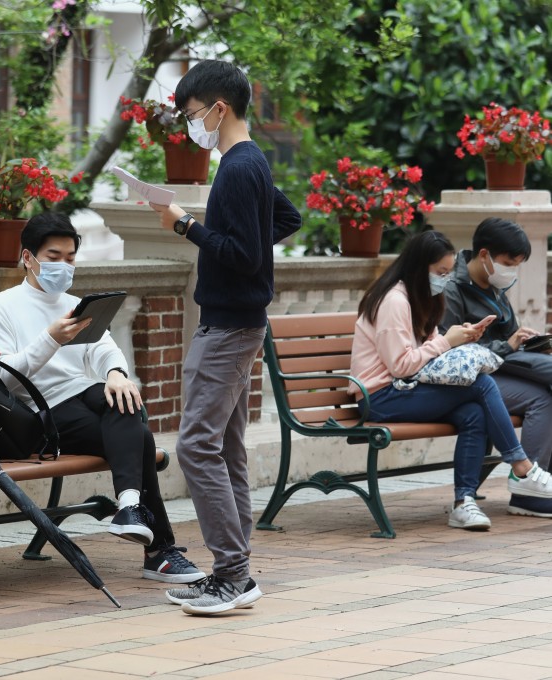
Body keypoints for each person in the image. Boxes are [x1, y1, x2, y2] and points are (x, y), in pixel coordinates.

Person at [148, 60, 302, 616]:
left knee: (195, 445)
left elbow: (245, 255)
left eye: (192, 115)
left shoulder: (238, 167)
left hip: (229, 326)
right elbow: (288, 219)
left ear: (220, 108)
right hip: (240, 324)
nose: (192, 126)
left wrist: (186, 226)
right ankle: (237, 572)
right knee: (226, 446)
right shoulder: (250, 161)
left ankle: (232, 574)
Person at [0, 213, 206, 585]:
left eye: (70, 258)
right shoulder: (1, 307)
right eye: (53, 256)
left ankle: (131, 509)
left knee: (125, 398)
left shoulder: (75, 303)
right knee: (142, 439)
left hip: (83, 397)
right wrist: (51, 338)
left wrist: (117, 374)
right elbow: (2, 380)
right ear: (27, 258)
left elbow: (106, 350)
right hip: (40, 414)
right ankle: (157, 549)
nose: (63, 266)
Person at [349, 230, 552, 533]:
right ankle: (522, 468)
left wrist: (462, 337)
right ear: (419, 268)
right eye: (440, 272)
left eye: (447, 271)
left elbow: (429, 352)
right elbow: (401, 365)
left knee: (473, 413)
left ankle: (464, 503)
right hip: (380, 396)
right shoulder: (394, 301)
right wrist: (447, 343)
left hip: (408, 389)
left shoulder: (423, 297)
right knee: (482, 386)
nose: (445, 278)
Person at [440, 217, 552, 518]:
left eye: (517, 264)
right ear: (485, 255)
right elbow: (450, 353)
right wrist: (510, 345)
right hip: (470, 381)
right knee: (542, 396)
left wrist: (531, 343)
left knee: (546, 392)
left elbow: (508, 338)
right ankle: (528, 487)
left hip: (500, 371)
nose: (512, 270)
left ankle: (535, 485)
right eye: (508, 262)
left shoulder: (493, 286)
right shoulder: (451, 288)